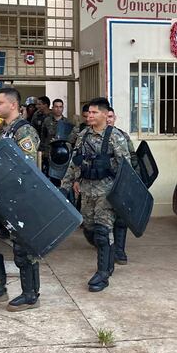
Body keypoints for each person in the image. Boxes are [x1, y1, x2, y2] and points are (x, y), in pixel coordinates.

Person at [0, 86, 42, 312]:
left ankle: (30, 295)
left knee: (23, 249)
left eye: (0, 102)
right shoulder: (4, 131)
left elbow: (27, 169)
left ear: (13, 105)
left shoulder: (24, 132)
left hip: (18, 199)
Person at [61, 97, 130, 292]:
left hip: (106, 192)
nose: (89, 116)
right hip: (86, 190)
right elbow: (75, 162)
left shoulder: (115, 136)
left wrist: (121, 194)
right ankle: (108, 261)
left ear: (103, 114)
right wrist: (66, 186)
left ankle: (102, 274)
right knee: (89, 229)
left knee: (101, 232)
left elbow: (126, 168)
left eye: (93, 113)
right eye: (89, 113)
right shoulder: (83, 135)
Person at [106, 106, 139, 265]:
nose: (108, 119)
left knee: (120, 219)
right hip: (100, 185)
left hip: (119, 183)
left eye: (111, 116)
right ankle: (106, 248)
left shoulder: (123, 136)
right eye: (106, 116)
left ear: (114, 118)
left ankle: (119, 250)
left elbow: (132, 158)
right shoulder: (90, 136)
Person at [40, 98, 69, 177]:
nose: (58, 109)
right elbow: (43, 137)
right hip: (48, 153)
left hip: (62, 155)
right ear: (52, 108)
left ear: (63, 108)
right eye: (56, 107)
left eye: (60, 107)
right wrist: (41, 151)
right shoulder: (47, 121)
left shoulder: (67, 122)